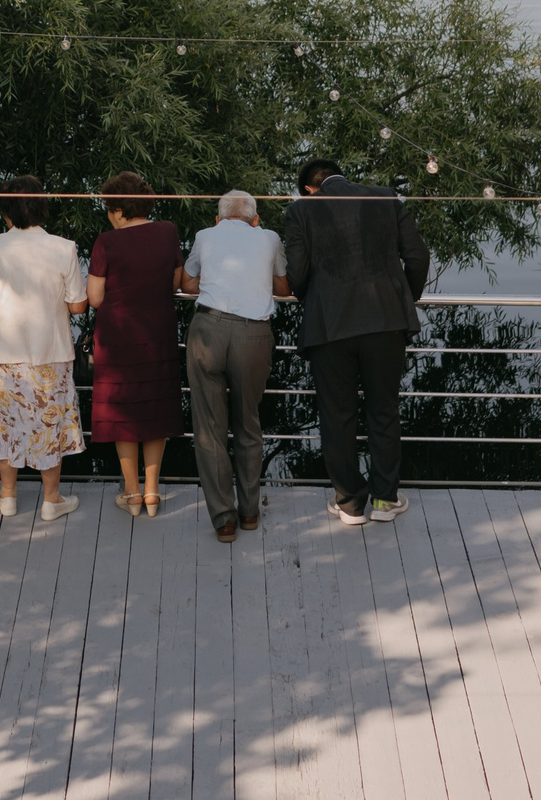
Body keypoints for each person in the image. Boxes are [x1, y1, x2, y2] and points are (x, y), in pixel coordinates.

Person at [283, 158, 428, 525]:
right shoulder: (386, 198)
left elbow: (297, 274)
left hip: (329, 327)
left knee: (337, 414)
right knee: (383, 410)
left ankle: (349, 503)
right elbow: (418, 256)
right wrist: (402, 299)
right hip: (385, 323)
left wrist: (313, 298)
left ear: (309, 189)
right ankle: (384, 501)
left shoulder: (302, 211)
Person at [0, 175, 88, 522]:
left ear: (6, 211)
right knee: (49, 425)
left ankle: (8, 496)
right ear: (42, 205)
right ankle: (51, 500)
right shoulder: (64, 247)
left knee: (5, 424)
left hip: (3, 355)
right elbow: (78, 305)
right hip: (49, 353)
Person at [181, 189, 290, 542]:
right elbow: (284, 288)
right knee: (248, 423)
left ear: (218, 219)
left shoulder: (204, 236)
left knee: (209, 429)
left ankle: (224, 519)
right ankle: (249, 513)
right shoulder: (270, 238)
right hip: (253, 335)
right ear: (255, 219)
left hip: (207, 331)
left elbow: (186, 284)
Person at [87, 171, 184, 515]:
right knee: (155, 404)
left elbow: (95, 298)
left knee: (122, 410)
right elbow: (174, 282)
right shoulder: (167, 231)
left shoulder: (106, 242)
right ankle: (153, 492)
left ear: (116, 209)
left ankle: (131, 493)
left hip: (117, 337)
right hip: (158, 330)